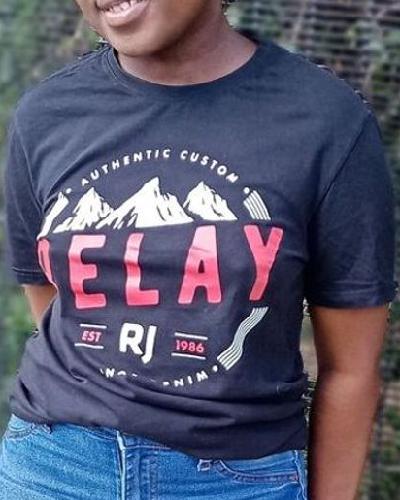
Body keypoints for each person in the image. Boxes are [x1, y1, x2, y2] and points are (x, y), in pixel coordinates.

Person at [0, 0, 397, 498]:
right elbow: (53, 300)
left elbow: (352, 369)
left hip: (238, 479)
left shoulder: (326, 121)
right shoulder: (46, 114)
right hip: (53, 467)